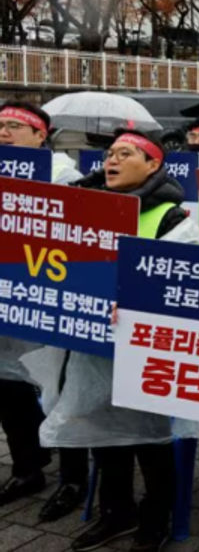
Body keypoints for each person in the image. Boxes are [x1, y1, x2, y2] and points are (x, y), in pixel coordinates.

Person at [38, 129, 199, 552]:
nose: (111, 161)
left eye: (125, 154)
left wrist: (129, 303)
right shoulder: (83, 206)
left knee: (149, 441)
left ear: (153, 165)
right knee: (104, 433)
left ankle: (157, 518)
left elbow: (186, 288)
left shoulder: (173, 219)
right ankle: (116, 514)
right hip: (92, 346)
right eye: (109, 154)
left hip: (144, 352)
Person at [0, 102, 88, 523]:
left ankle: (73, 478)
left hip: (50, 301)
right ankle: (28, 466)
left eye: (14, 126)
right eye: (0, 126)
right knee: (7, 385)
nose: (4, 133)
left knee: (59, 389)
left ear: (40, 135)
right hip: (6, 297)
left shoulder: (66, 176)